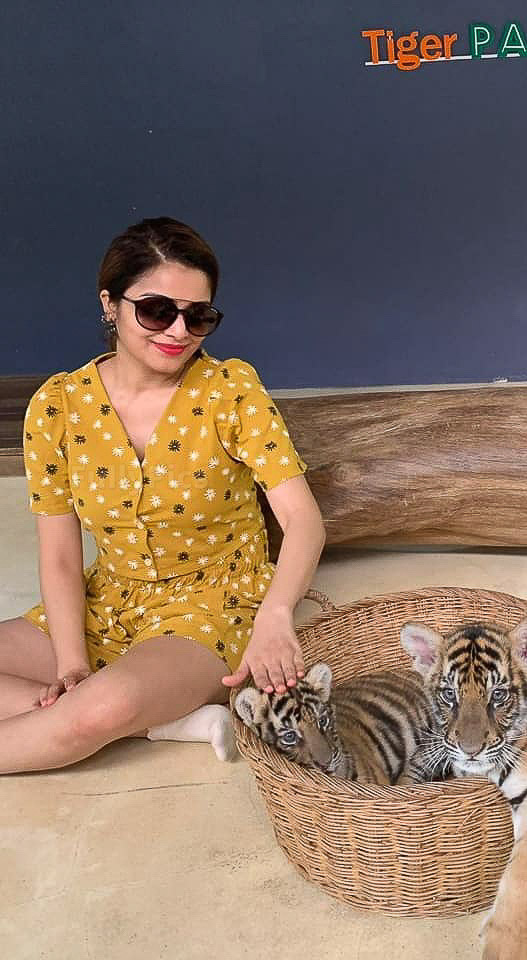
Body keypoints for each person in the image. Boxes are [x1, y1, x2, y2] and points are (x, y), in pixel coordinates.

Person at [0, 217, 325, 773]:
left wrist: (275, 614)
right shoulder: (56, 407)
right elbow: (59, 556)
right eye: (156, 311)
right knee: (83, 700)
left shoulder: (231, 392)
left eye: (198, 316)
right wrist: (72, 666)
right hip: (109, 598)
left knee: (95, 711)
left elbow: (303, 520)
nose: (179, 332)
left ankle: (120, 713)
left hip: (214, 602)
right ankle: (163, 722)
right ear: (110, 304)